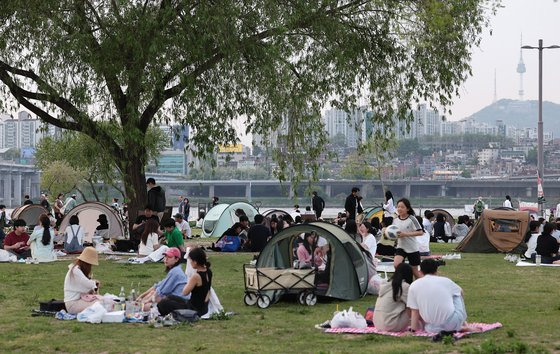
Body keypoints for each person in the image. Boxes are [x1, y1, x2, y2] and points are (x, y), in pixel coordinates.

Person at [408, 259, 475, 334]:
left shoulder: (413, 285)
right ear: (436, 270)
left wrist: (413, 330)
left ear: (420, 272)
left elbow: (414, 311)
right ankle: (462, 324)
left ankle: (457, 327)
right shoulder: (446, 281)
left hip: (432, 328)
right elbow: (461, 292)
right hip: (453, 322)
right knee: (457, 294)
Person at [157, 247, 212, 317]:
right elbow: (208, 291)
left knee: (163, 304)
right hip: (203, 307)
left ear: (195, 262)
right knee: (170, 297)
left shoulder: (196, 276)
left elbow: (185, 292)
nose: (190, 263)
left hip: (194, 309)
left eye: (190, 261)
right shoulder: (208, 272)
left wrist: (188, 281)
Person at [372, 263, 413, 332]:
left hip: (377, 323)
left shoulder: (386, 284)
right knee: (413, 308)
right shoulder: (403, 286)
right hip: (390, 325)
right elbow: (413, 305)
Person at [63, 247, 101, 314]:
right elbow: (87, 284)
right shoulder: (75, 270)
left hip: (80, 300)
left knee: (103, 301)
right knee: (101, 303)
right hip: (73, 304)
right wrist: (94, 283)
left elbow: (86, 285)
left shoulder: (78, 270)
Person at [393, 198, 423, 279]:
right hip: (401, 247)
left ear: (408, 209)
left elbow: (420, 232)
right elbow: (394, 232)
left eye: (402, 207)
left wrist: (405, 234)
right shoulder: (395, 220)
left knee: (415, 271)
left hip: (412, 248)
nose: (399, 209)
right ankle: (402, 283)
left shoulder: (412, 219)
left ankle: (421, 285)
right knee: (396, 265)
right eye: (398, 207)